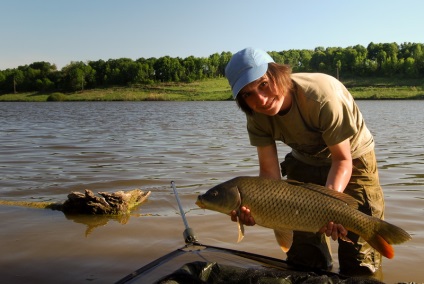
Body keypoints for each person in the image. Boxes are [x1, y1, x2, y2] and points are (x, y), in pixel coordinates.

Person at [224, 47, 385, 277]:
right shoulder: (256, 117)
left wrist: (331, 208)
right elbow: (269, 176)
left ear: (278, 74)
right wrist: (258, 211)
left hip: (353, 157)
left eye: (263, 84)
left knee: (358, 260)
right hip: (305, 158)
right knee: (304, 260)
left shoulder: (320, 97)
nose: (260, 99)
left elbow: (342, 160)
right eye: (248, 94)